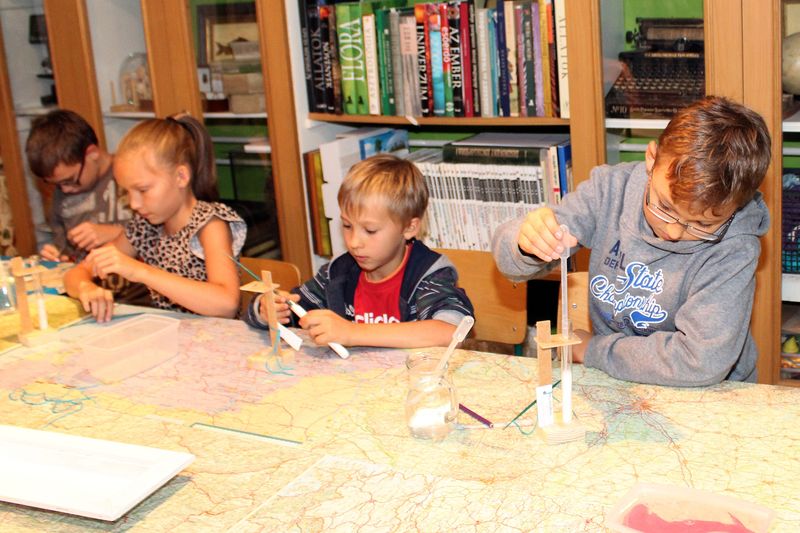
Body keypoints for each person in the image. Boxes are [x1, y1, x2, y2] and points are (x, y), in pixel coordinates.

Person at [492, 96, 772, 386]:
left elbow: (700, 361)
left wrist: (593, 350)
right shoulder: (610, 190)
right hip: (617, 381)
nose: (674, 232)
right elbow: (510, 262)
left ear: (737, 206)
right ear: (651, 160)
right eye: (664, 207)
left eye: (703, 224)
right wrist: (527, 243)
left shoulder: (736, 245)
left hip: (712, 392)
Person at [246, 154, 474, 348]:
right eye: (347, 226)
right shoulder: (338, 272)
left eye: (370, 230)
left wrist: (351, 332)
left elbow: (452, 332)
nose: (354, 242)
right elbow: (297, 314)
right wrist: (268, 310)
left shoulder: (428, 275)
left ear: (409, 227)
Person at [65, 113, 247, 321]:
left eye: (142, 190)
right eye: (127, 192)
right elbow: (76, 273)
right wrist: (86, 288)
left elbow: (227, 304)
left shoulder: (209, 224)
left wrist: (139, 271)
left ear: (181, 177)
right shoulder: (145, 227)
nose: (134, 204)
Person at [26, 109, 150, 304]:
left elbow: (166, 241)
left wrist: (114, 233)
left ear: (92, 154)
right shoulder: (62, 196)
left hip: (141, 299)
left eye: (70, 180)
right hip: (91, 297)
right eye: (57, 184)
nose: (65, 190)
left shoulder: (133, 179)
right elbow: (71, 257)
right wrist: (59, 260)